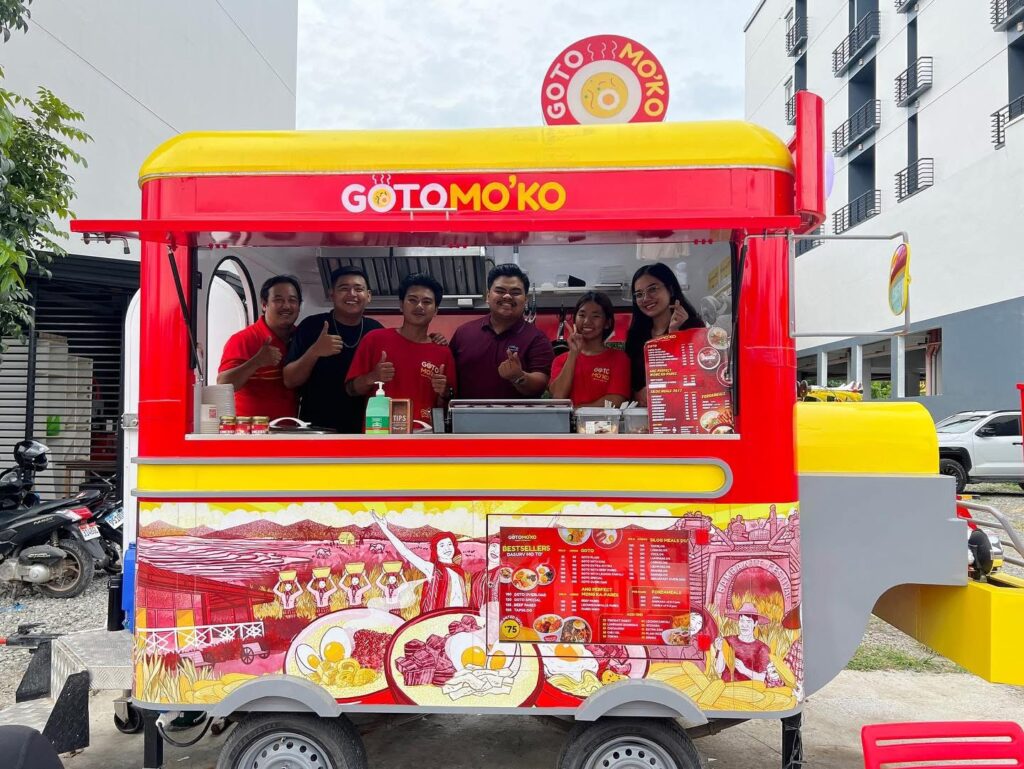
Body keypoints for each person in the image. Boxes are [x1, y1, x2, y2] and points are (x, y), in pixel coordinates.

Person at [346, 273, 456, 427]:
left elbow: (448, 405)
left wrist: (444, 393)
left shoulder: (443, 352)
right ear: (401, 305)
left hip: (425, 434)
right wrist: (373, 377)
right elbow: (351, 389)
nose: (419, 306)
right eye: (412, 300)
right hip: (380, 431)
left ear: (436, 310)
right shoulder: (374, 339)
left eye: (427, 302)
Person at [283, 267, 383, 433]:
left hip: (365, 430)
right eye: (344, 288)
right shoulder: (311, 326)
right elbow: (289, 380)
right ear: (332, 294)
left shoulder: (376, 331)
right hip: (317, 430)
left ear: (368, 296)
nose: (352, 294)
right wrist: (315, 351)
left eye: (358, 289)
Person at [450, 264, 554, 399]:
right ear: (488, 296)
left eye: (515, 292)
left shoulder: (537, 339)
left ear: (525, 300)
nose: (507, 296)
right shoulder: (464, 333)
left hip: (518, 413)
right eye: (500, 291)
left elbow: (541, 384)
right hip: (465, 412)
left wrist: (518, 377)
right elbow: (448, 376)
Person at [216, 274, 301, 420]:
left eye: (292, 300)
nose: (286, 306)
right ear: (264, 304)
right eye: (278, 300)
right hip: (251, 431)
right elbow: (223, 385)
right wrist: (256, 362)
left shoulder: (301, 337)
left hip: (291, 430)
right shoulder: (243, 339)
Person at [623, 263, 705, 405]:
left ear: (670, 290)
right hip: (644, 413)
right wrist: (637, 395)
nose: (645, 298)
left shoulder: (693, 328)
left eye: (652, 289)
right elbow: (629, 382)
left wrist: (674, 335)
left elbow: (700, 376)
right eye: (639, 294)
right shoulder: (636, 335)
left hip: (684, 408)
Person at [372, 511, 467, 613]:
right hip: (440, 618)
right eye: (442, 545)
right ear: (436, 550)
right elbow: (405, 552)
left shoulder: (458, 570)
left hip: (460, 615)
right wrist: (385, 529)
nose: (447, 548)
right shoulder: (432, 569)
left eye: (449, 544)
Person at [548, 291, 630, 408]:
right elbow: (558, 397)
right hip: (567, 420)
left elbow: (615, 400)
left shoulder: (619, 358)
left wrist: (577, 411)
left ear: (607, 323)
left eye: (595, 316)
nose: (587, 321)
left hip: (604, 421)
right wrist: (573, 354)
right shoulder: (560, 360)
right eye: (582, 315)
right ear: (574, 320)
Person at [713, 601, 775, 683]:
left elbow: (764, 678)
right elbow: (719, 669)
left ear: (755, 623)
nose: (744, 625)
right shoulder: (727, 641)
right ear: (738, 622)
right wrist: (721, 650)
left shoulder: (762, 648)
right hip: (726, 687)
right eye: (742, 621)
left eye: (748, 622)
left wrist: (744, 670)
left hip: (750, 689)